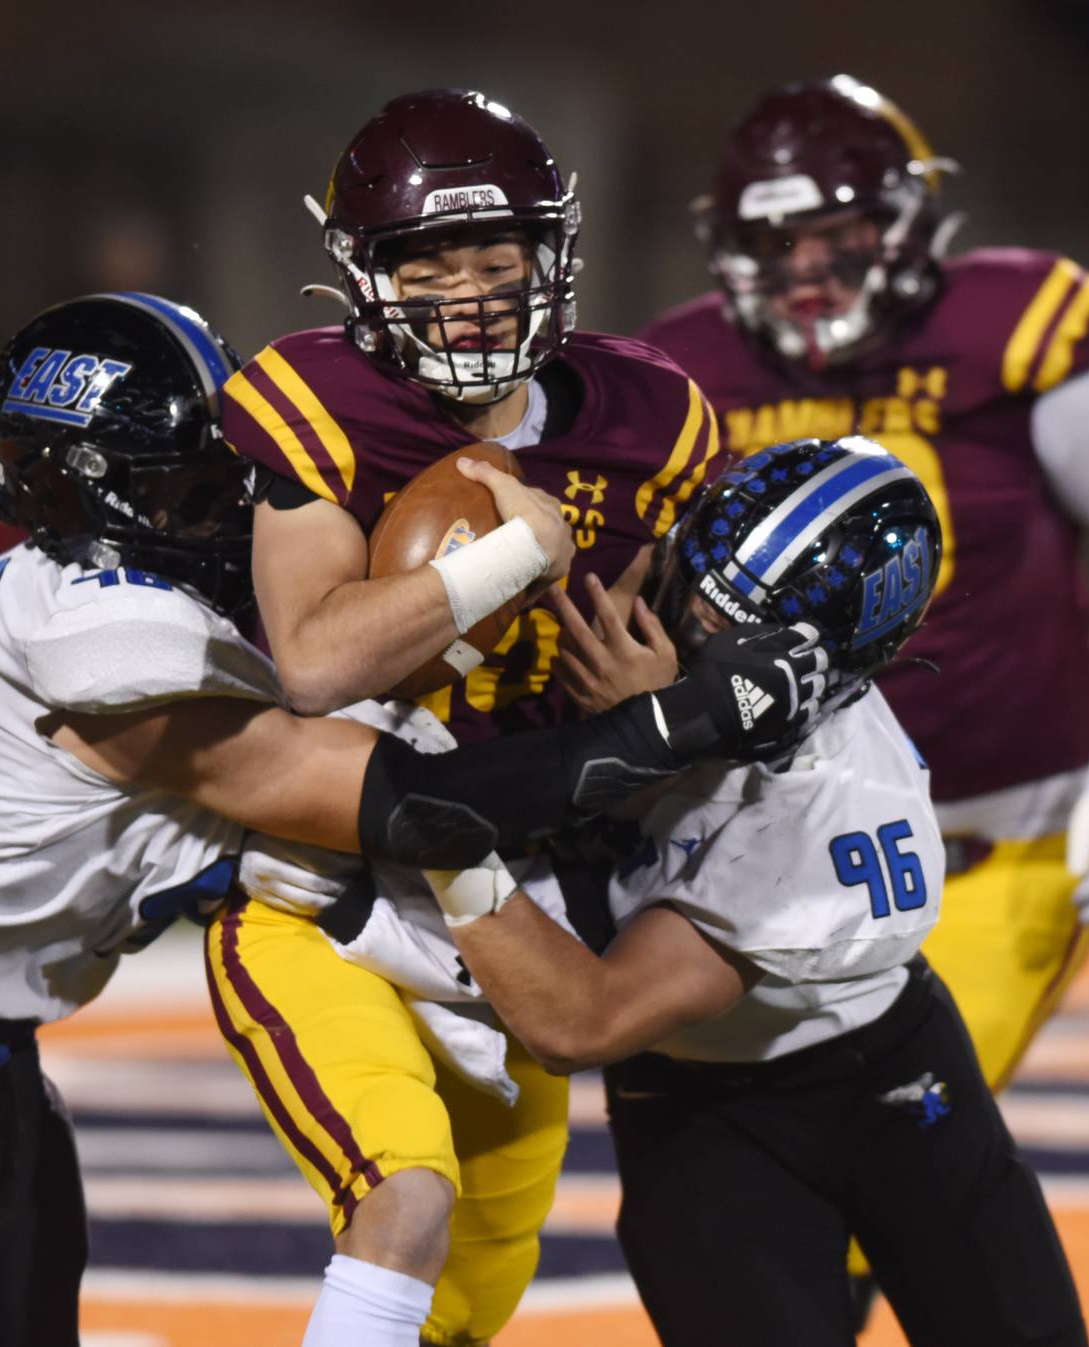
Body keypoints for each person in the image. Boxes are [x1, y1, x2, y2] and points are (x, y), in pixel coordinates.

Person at [0, 292, 823, 1347]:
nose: (234, 508)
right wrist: (664, 731)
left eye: (228, 478)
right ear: (77, 490)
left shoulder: (191, 589)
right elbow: (402, 801)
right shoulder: (84, 634)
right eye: (194, 492)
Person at [212, 88, 728, 1346]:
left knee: (466, 1306)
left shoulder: (649, 420)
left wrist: (666, 712)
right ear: (362, 277)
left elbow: (695, 694)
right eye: (427, 266)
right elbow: (318, 664)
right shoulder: (319, 401)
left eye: (496, 262)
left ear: (552, 262)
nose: (470, 298)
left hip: (521, 912)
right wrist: (506, 564)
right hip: (326, 895)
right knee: (403, 1200)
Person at [421, 437, 1089, 1347]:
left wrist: (438, 835)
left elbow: (584, 1020)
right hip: (692, 1110)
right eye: (685, 594)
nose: (682, 635)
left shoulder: (836, 804)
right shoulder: (631, 584)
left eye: (731, 642)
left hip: (875, 1081)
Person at [639, 75, 1089, 1110]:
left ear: (905, 222)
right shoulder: (683, 365)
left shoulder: (1009, 323)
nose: (811, 272)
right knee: (743, 1163)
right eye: (782, 244)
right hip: (770, 840)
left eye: (840, 234)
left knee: (888, 1151)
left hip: (997, 842)